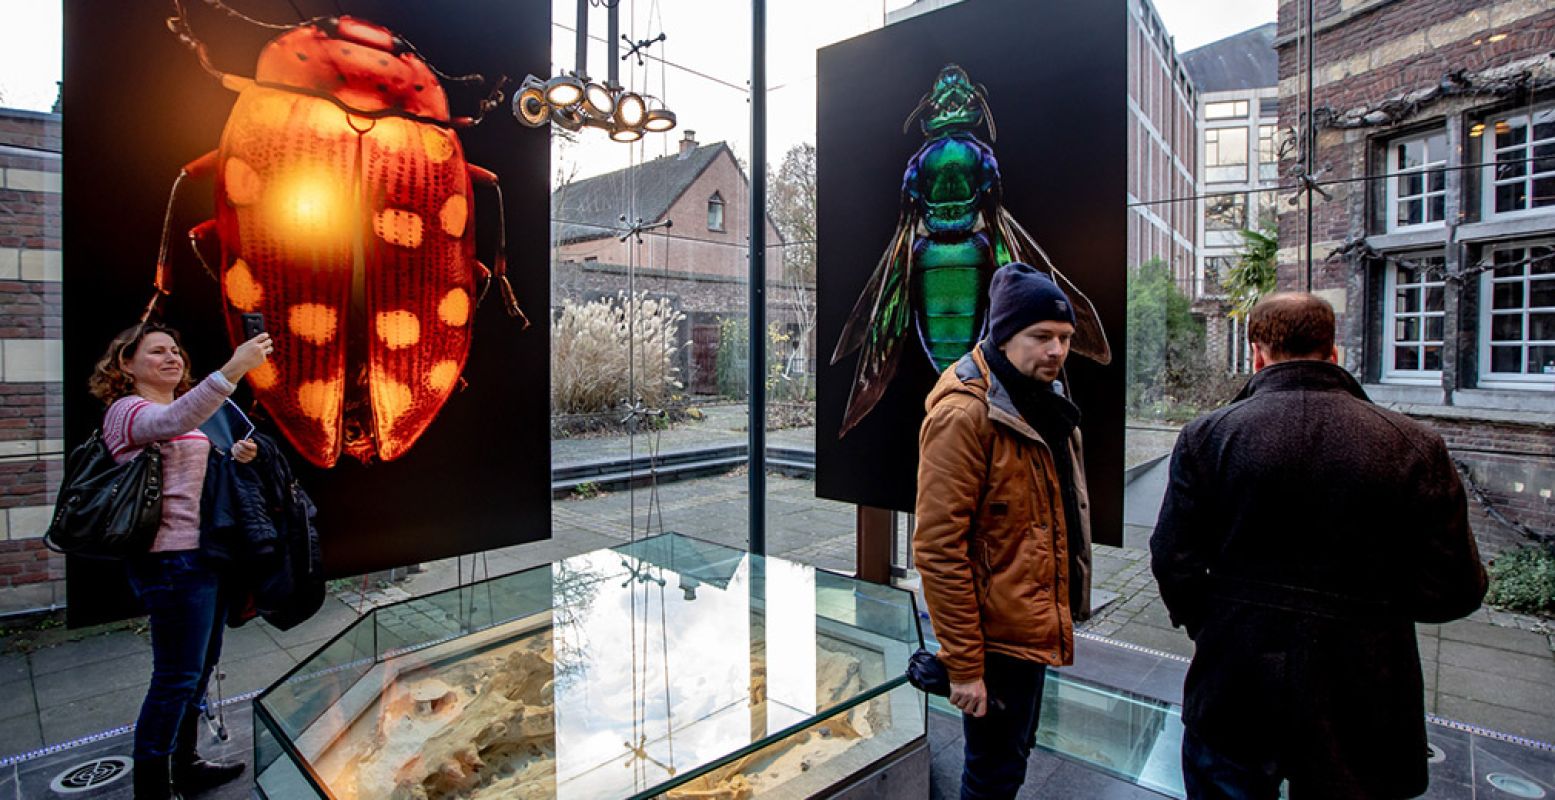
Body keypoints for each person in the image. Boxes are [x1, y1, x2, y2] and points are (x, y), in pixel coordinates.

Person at [1150, 292, 1487, 800]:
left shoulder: (1208, 436)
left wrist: (1220, 622)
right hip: (1365, 697)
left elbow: (1173, 559)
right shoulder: (1414, 445)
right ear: (1335, 352)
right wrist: (1374, 616)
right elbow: (1456, 587)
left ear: (1257, 351)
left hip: (1235, 686)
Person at [914, 261, 1093, 799]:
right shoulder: (965, 415)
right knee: (991, 773)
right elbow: (938, 549)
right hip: (993, 641)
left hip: (1026, 626)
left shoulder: (1041, 399)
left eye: (1064, 337)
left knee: (1010, 758)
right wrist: (965, 667)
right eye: (1042, 337)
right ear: (1005, 335)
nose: (1057, 351)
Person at [89, 322, 273, 800]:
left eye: (175, 350)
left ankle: (185, 765)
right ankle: (152, 788)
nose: (172, 358)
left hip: (203, 556)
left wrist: (234, 453)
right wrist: (233, 369)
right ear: (125, 364)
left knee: (199, 667)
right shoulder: (127, 411)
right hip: (168, 563)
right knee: (175, 677)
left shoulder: (181, 410)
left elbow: (190, 469)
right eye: (156, 352)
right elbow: (167, 426)